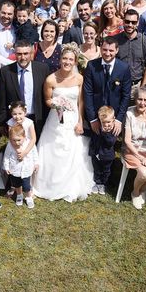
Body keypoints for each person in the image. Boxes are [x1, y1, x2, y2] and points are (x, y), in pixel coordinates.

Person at [34, 43, 95, 201]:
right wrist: (57, 104)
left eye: (71, 59)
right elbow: (47, 99)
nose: (67, 62)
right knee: (53, 148)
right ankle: (49, 182)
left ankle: (71, 184)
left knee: (72, 149)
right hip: (56, 119)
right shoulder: (51, 79)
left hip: (73, 119)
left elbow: (80, 102)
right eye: (64, 58)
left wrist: (80, 121)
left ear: (75, 62)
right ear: (60, 59)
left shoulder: (79, 78)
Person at [0, 40, 50, 139]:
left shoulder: (42, 69)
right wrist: (1, 122)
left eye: (26, 53)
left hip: (37, 119)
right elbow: (2, 99)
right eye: (19, 54)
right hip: (15, 120)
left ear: (31, 53)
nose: (23, 57)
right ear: (15, 54)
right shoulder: (6, 72)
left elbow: (46, 96)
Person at [123, 86, 146, 209]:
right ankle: (135, 192)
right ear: (135, 99)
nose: (142, 103)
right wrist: (140, 157)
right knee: (144, 173)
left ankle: (142, 189)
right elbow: (127, 141)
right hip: (133, 150)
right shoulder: (130, 113)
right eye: (140, 99)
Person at [116, 9, 146, 93]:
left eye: (133, 22)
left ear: (137, 23)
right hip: (118, 85)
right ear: (123, 21)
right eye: (127, 21)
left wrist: (143, 87)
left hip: (136, 86)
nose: (130, 25)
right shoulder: (115, 40)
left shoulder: (145, 41)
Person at [3, 124, 39, 209]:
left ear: (24, 137)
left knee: (26, 186)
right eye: (13, 140)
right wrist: (6, 167)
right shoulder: (10, 145)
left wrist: (36, 163)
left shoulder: (29, 143)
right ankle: (19, 195)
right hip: (14, 170)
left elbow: (34, 154)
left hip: (26, 169)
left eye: (19, 140)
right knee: (17, 184)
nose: (16, 143)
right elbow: (6, 156)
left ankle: (28, 197)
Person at [89, 106, 119, 195]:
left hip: (107, 157)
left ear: (113, 120)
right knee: (97, 170)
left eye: (108, 122)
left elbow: (110, 142)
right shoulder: (98, 128)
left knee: (106, 171)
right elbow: (92, 135)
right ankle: (97, 183)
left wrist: (105, 133)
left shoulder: (113, 131)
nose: (106, 125)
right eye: (103, 122)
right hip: (96, 154)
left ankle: (103, 184)